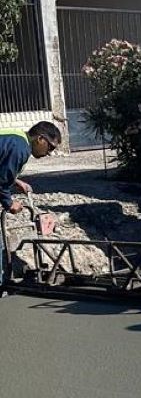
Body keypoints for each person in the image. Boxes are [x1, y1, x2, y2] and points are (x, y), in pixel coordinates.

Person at [0, 121, 62, 287]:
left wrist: (15, 180)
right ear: (40, 139)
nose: (49, 153)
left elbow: (3, 169)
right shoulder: (20, 148)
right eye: (50, 147)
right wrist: (9, 203)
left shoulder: (16, 139)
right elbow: (1, 181)